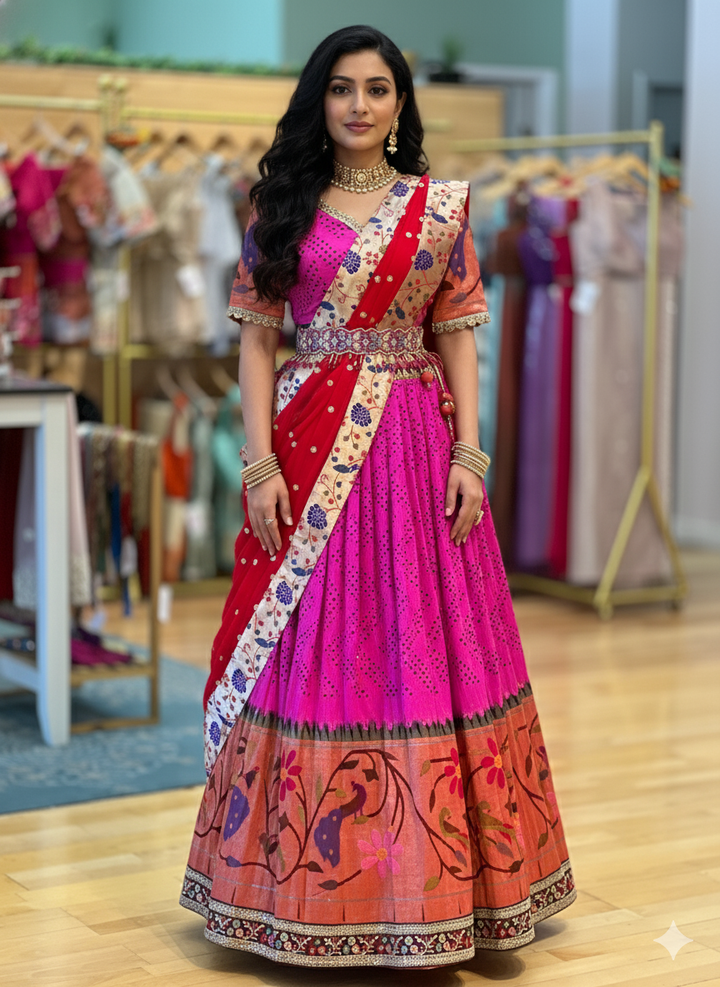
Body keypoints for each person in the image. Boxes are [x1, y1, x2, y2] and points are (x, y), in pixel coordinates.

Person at [179, 25, 575, 969]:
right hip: (309, 450)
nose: (360, 105)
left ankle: (439, 885)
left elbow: (461, 335)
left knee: (423, 644)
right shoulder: (281, 205)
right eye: (343, 89)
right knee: (313, 646)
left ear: (402, 104)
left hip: (412, 446)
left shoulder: (439, 209)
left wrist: (470, 456)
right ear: (320, 101)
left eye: (379, 90)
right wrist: (260, 463)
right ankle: (299, 886)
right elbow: (255, 341)